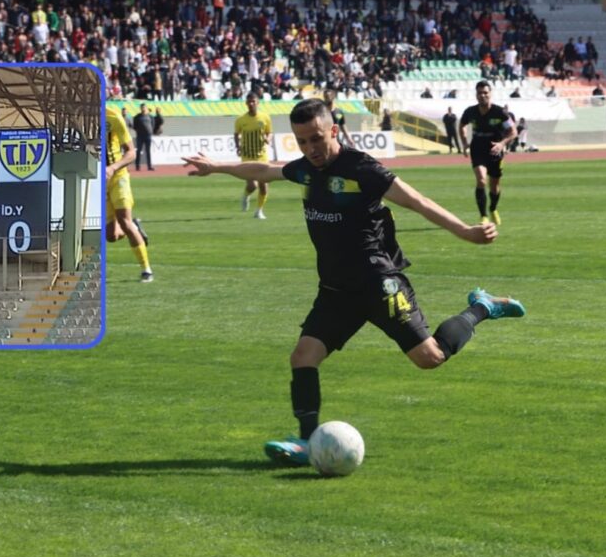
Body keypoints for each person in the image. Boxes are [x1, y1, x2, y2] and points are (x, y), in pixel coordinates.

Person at [182, 99, 525, 465]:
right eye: (301, 141)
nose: (310, 149)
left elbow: (416, 201)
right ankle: (305, 442)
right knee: (303, 357)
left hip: (379, 282)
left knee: (431, 358)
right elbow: (265, 170)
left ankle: (481, 307)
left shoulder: (361, 168)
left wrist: (466, 231)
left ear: (332, 130)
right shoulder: (305, 170)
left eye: (316, 138)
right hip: (336, 290)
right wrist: (215, 166)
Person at [105, 104, 154, 282]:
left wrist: (112, 168)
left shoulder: (113, 117)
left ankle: (146, 270)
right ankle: (135, 226)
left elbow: (131, 152)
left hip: (118, 176)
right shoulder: (78, 118)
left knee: (124, 221)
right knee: (111, 236)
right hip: (99, 180)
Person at [459, 81, 517, 225]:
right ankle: (483, 216)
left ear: (490, 94)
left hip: (495, 151)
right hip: (477, 149)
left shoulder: (500, 112)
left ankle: (493, 209)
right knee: (481, 180)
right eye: (480, 93)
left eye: (485, 92)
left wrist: (502, 143)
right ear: (476, 95)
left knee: (494, 185)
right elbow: (462, 125)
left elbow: (513, 132)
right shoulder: (470, 112)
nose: (483, 95)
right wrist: (465, 143)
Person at [234, 92, 274, 220]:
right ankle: (246, 195)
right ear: (246, 103)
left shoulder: (265, 118)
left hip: (262, 156)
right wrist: (237, 146)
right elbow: (236, 134)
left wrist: (268, 139)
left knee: (264, 185)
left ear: (258, 102)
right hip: (247, 156)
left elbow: (270, 132)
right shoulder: (241, 120)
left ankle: (259, 211)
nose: (251, 104)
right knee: (253, 185)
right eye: (249, 102)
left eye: (254, 101)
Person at [132, 103, 155, 171]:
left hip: (148, 136)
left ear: (146, 108)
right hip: (140, 136)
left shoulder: (150, 116)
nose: (143, 109)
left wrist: (150, 131)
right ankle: (137, 166)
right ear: (140, 108)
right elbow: (135, 126)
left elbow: (153, 125)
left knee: (148, 151)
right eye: (142, 107)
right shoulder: (137, 117)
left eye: (144, 107)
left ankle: (149, 166)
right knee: (138, 151)